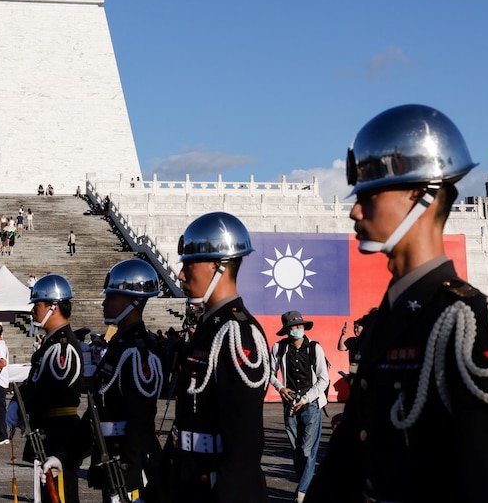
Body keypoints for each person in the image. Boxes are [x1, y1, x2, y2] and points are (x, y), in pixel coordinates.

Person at [306, 104, 488, 503]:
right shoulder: (389, 317)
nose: (355, 210)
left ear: (422, 194)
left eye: (370, 194)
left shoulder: (470, 322)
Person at [166, 211, 271, 501]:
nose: (181, 274)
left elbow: (245, 442)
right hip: (191, 482)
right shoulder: (208, 329)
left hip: (219, 490)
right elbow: (184, 425)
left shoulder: (237, 333)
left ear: (219, 266)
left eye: (189, 264)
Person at [89, 259, 165, 503]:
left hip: (128, 463)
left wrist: (130, 472)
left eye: (111, 297)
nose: (104, 303)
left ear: (132, 302)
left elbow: (140, 419)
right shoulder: (119, 346)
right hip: (111, 455)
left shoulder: (137, 351)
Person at [18, 274, 85, 503]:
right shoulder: (52, 344)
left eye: (37, 304)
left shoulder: (62, 348)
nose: (33, 310)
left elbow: (54, 396)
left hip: (59, 436)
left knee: (61, 496)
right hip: (50, 434)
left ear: (53, 307)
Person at [271, 311, 329, 501]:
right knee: (297, 450)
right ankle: (305, 486)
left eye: (299, 326)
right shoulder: (278, 348)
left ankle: (302, 494)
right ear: (286, 330)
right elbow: (269, 373)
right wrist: (281, 388)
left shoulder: (315, 348)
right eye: (292, 327)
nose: (297, 329)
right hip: (289, 405)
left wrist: (306, 398)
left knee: (307, 450)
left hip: (311, 404)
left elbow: (323, 379)